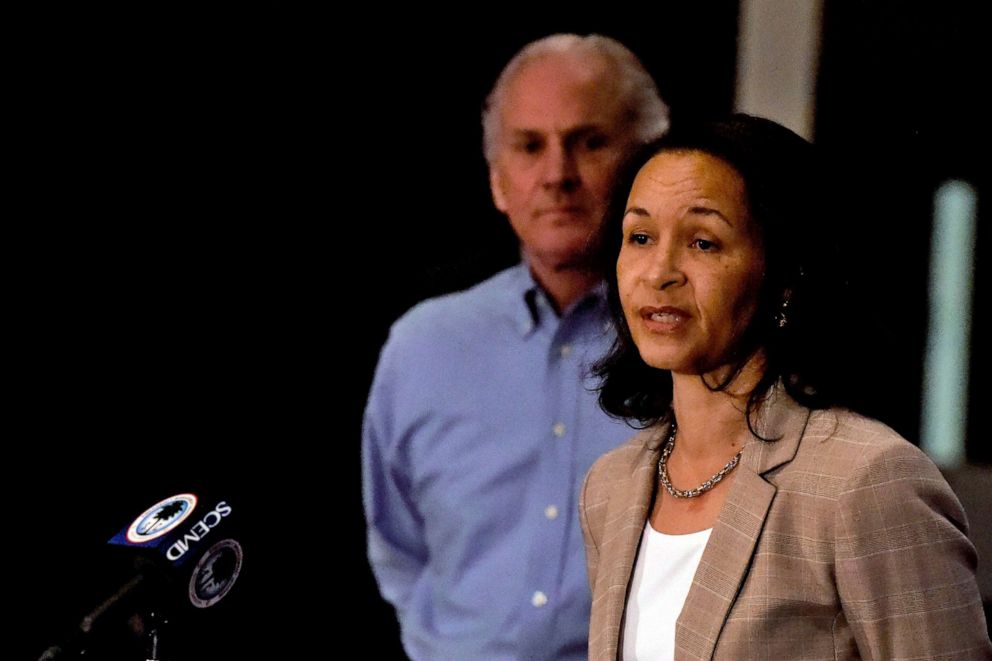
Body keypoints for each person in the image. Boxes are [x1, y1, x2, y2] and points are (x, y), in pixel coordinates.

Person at [580, 114, 992, 660]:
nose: (659, 272)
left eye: (703, 242)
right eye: (640, 237)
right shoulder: (611, 487)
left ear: (786, 276)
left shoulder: (866, 482)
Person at [362, 34, 669, 660]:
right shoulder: (423, 347)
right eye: (530, 146)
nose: (557, 174)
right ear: (499, 182)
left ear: (648, 163)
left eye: (589, 142)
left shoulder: (693, 341)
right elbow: (397, 547)